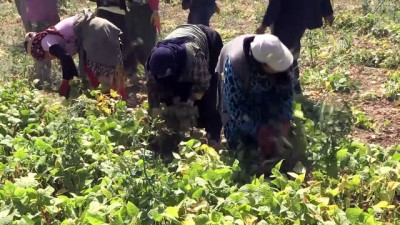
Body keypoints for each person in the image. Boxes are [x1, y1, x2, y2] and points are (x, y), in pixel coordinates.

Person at [216, 34, 294, 168]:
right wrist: (259, 130)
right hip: (239, 94)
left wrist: (284, 119)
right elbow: (235, 109)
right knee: (240, 137)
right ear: (262, 64)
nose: (279, 69)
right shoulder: (236, 65)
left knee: (271, 117)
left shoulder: (279, 58)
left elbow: (286, 95)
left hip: (263, 86)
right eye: (274, 67)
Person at [146, 24, 223, 153]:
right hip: (178, 55)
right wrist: (156, 114)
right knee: (169, 93)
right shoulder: (152, 64)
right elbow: (153, 90)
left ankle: (213, 138)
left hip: (208, 41)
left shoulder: (194, 56)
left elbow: (203, 86)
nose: (161, 76)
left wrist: (187, 105)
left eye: (165, 74)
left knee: (211, 98)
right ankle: (177, 134)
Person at [23, 10, 126, 100]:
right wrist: (73, 79)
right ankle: (121, 106)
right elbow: (69, 60)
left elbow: (65, 57)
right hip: (103, 27)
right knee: (115, 71)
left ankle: (111, 109)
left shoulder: (45, 42)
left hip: (95, 34)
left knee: (103, 77)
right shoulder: (53, 35)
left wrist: (66, 81)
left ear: (37, 51)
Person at [255, 0, 334, 94]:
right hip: (302, 14)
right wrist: (327, 11)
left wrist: (264, 25)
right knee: (291, 49)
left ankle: (288, 88)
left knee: (283, 52)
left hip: (285, 17)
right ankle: (293, 87)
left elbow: (275, 3)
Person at [15, 0, 60, 87]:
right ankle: (42, 79)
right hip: (37, 19)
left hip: (43, 18)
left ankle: (44, 78)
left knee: (44, 48)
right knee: (40, 48)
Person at [126, 0, 161, 68]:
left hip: (147, 8)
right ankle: (132, 71)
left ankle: (150, 71)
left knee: (148, 44)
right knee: (131, 41)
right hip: (132, 7)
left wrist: (155, 10)